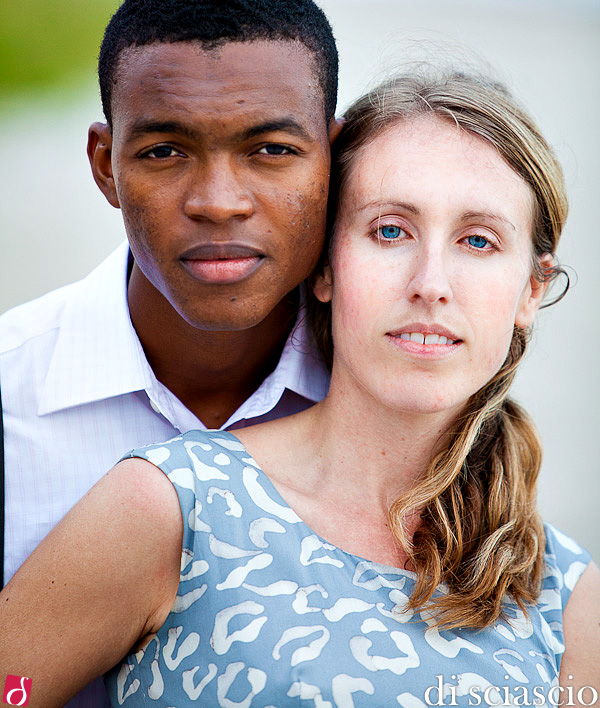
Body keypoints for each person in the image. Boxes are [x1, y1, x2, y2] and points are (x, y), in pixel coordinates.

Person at [2, 69, 598, 707]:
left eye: (478, 241)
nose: (432, 283)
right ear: (325, 267)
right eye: (390, 231)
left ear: (531, 290)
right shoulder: (175, 507)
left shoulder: (568, 596)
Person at [0, 0, 341, 707]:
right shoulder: (10, 396)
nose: (219, 202)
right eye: (164, 151)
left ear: (334, 159)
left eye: (272, 150)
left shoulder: (385, 401)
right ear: (105, 166)